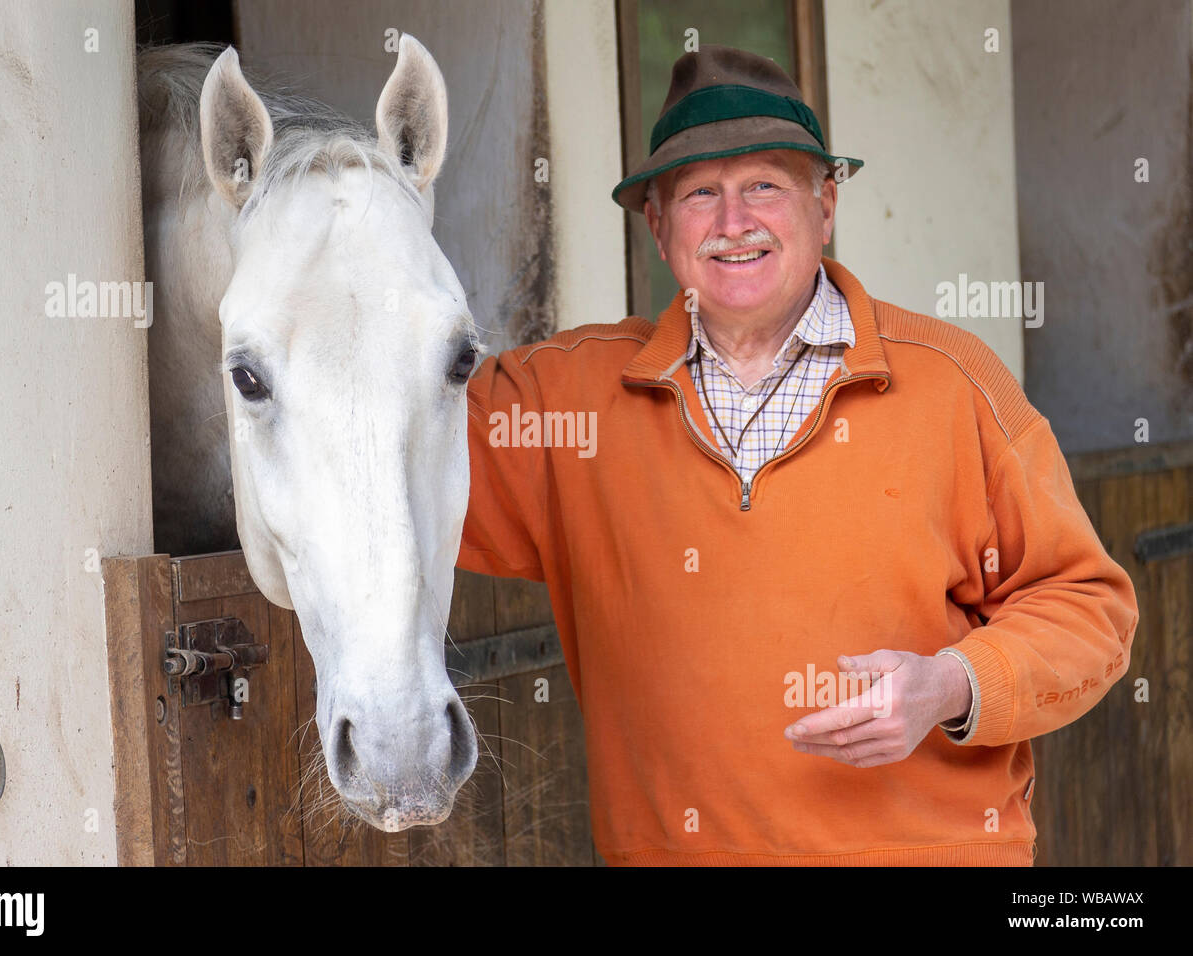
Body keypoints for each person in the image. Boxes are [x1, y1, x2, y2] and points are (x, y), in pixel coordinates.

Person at [456, 45, 1138, 865]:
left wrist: (951, 685)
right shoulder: (562, 401)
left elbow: (1088, 608)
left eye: (764, 188)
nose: (733, 223)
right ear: (657, 224)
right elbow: (378, 452)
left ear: (826, 203)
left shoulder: (955, 384)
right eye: (701, 193)